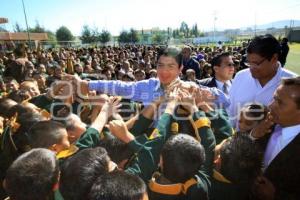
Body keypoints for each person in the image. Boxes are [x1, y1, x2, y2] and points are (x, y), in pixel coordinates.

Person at [228, 34, 297, 128]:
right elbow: (231, 111)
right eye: (248, 62)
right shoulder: (240, 76)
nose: (251, 68)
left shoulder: (293, 84)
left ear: (274, 58)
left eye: (256, 63)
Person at [252, 77, 300, 200]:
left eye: (280, 102)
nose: (271, 106)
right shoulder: (266, 123)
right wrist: (253, 136)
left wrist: (276, 196)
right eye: (274, 98)